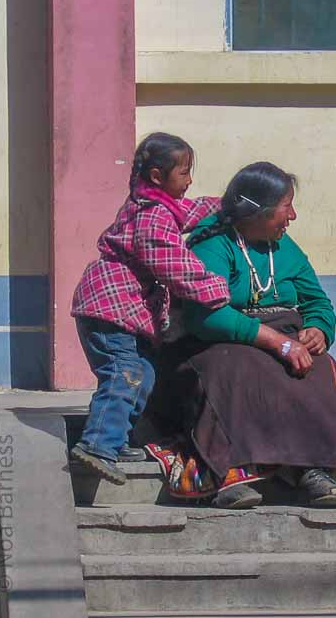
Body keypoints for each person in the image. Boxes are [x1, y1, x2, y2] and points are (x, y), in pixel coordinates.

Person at [147, 162, 336, 509]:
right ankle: (229, 469)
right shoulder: (212, 246)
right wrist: (275, 341)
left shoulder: (285, 248)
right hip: (218, 342)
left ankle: (314, 470)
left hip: (285, 334)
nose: (293, 216)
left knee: (325, 377)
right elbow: (207, 316)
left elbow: (317, 300)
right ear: (257, 212)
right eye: (286, 207)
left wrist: (318, 328)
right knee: (239, 372)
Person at [70, 133, 230, 484]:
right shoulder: (153, 218)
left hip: (118, 311)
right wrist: (218, 290)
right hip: (108, 308)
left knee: (143, 374)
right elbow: (175, 266)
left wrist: (228, 205)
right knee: (123, 373)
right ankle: (97, 445)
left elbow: (192, 211)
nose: (190, 180)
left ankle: (118, 439)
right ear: (158, 176)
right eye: (184, 173)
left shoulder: (157, 205)